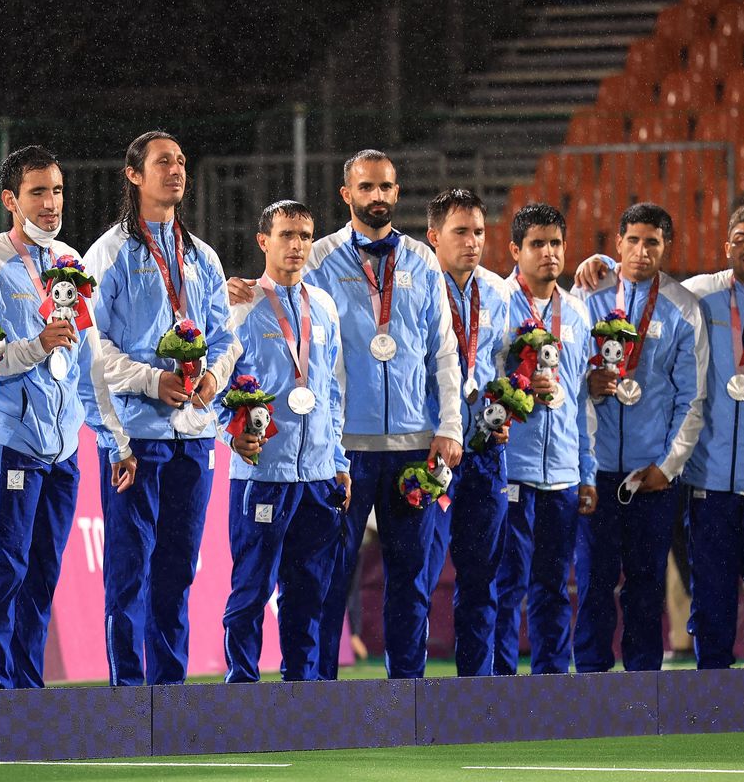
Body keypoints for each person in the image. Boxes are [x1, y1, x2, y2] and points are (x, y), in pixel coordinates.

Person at [232, 149, 463, 680]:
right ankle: (322, 693)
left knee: (412, 576)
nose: (377, 196)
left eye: (386, 187)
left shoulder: (422, 262)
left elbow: (443, 350)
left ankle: (408, 693)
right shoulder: (319, 255)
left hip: (412, 444)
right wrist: (235, 293)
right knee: (328, 577)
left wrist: (450, 424)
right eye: (366, 187)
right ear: (347, 194)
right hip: (342, 448)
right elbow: (278, 288)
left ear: (397, 192)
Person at [575, 202, 744, 669]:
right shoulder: (701, 295)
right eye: (740, 238)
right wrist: (601, 264)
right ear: (726, 246)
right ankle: (712, 705)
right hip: (707, 485)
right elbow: (644, 276)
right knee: (711, 603)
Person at [0, 145, 132, 689]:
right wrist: (33, 346)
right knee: (3, 570)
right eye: (38, 192)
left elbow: (90, 362)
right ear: (11, 199)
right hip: (5, 439)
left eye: (56, 190)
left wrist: (114, 438)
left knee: (42, 576)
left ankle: (28, 697)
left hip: (62, 449)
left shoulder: (71, 265)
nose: (51, 203)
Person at [83, 131, 240, 686]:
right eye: (161, 162)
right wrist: (153, 380)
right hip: (137, 438)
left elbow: (225, 337)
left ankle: (169, 693)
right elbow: (92, 345)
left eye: (180, 160)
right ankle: (128, 695)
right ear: (133, 175)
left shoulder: (201, 255)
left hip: (195, 437)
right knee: (128, 573)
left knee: (177, 572)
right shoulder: (107, 254)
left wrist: (214, 376)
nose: (175, 170)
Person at [570, 203, 707, 673]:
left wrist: (667, 468)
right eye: (633, 240)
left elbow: (692, 398)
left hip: (649, 476)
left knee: (646, 587)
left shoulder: (683, 308)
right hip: (594, 472)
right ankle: (589, 683)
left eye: (653, 242)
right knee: (592, 584)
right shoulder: (587, 295)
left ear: (666, 247)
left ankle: (644, 689)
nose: (641, 251)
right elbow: (561, 371)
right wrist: (584, 384)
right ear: (618, 243)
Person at [220, 200, 350, 682]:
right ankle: (242, 690)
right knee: (251, 588)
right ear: (263, 241)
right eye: (286, 235)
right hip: (263, 472)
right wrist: (232, 438)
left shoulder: (326, 306)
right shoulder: (240, 303)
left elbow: (332, 390)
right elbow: (215, 382)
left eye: (305, 235)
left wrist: (339, 460)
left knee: (309, 590)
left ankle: (303, 691)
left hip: (317, 475)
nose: (296, 245)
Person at [493, 203, 596, 676]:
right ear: (516, 250)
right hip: (511, 467)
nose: (548, 253)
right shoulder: (497, 304)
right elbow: (482, 381)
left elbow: (579, 403)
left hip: (563, 475)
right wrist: (517, 383)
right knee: (508, 581)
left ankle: (552, 683)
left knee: (554, 585)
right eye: (537, 244)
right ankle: (498, 683)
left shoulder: (576, 312)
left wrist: (587, 472)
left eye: (556, 243)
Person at [423, 188, 512, 677]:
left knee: (482, 578)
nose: (473, 241)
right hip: (430, 451)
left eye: (479, 231)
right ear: (434, 237)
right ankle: (407, 690)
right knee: (420, 575)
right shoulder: (417, 288)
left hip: (483, 451)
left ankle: (478, 691)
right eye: (461, 232)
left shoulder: (499, 292)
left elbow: (504, 366)